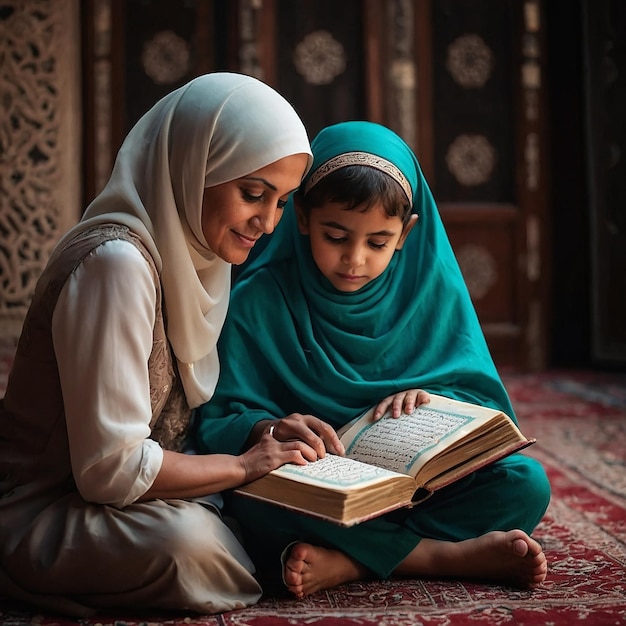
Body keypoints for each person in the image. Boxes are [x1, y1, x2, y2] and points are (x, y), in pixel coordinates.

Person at [193, 121, 551, 599]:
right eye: (335, 236)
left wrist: (431, 402)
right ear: (302, 217)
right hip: (314, 483)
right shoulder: (262, 297)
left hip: (413, 486)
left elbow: (480, 403)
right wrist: (269, 429)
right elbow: (220, 416)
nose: (354, 259)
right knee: (251, 501)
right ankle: (439, 556)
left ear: (406, 233)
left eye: (377, 242)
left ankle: (352, 559)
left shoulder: (431, 289)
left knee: (525, 484)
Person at [0, 72, 314, 617]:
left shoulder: (197, 255)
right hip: (43, 509)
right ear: (194, 168)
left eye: (282, 202)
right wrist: (242, 468)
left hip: (126, 497)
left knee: (284, 503)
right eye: (252, 194)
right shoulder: (116, 266)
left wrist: (263, 435)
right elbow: (110, 470)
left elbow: (179, 420)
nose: (266, 223)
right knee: (194, 549)